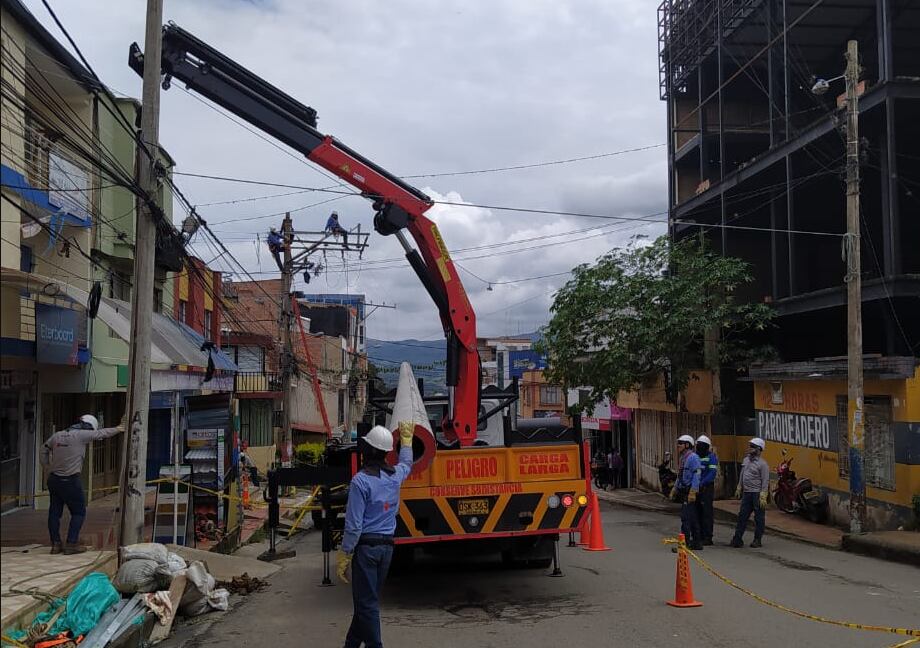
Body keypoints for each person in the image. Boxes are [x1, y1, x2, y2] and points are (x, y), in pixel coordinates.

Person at [337, 422, 413, 648]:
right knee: (367, 602)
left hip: (366, 550)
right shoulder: (395, 476)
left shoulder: (360, 481)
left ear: (368, 451)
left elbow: (353, 526)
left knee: (366, 603)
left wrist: (345, 554)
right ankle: (351, 644)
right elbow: (407, 463)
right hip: (387, 549)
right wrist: (407, 442)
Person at [40, 414, 124, 554]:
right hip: (70, 480)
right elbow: (101, 433)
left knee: (54, 512)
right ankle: (71, 544)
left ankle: (56, 544)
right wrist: (119, 428)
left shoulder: (57, 435)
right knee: (79, 512)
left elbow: (43, 449)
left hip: (54, 480)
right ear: (89, 426)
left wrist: (47, 466)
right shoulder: (81, 435)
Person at [731, 437, 770, 548]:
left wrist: (763, 494)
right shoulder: (746, 460)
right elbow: (743, 474)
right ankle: (737, 539)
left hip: (757, 494)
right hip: (747, 493)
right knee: (742, 516)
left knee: (759, 518)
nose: (750, 448)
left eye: (753, 446)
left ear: (759, 449)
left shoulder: (763, 465)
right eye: (750, 446)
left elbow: (765, 480)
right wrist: (739, 486)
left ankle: (757, 540)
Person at [670, 434, 703, 550]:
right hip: (684, 490)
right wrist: (675, 488)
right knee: (692, 517)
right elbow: (680, 475)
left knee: (686, 518)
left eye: (681, 443)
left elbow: (697, 474)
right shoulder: (683, 458)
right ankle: (697, 542)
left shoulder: (693, 457)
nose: (678, 446)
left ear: (687, 445)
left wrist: (693, 491)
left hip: (690, 491)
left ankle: (685, 544)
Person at [695, 435, 718, 546]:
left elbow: (712, 473)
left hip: (706, 488)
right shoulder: (695, 456)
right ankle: (699, 534)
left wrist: (702, 483)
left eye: (701, 445)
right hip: (696, 487)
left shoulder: (711, 457)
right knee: (697, 511)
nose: (699, 447)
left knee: (707, 513)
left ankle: (708, 537)